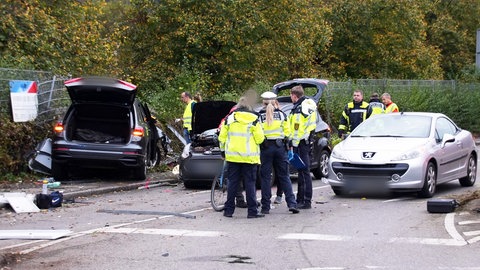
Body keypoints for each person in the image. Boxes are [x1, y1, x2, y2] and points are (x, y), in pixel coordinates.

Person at [218, 96, 265, 218]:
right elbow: (260, 139)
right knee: (250, 184)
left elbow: (222, 137)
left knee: (232, 183)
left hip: (233, 157)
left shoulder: (229, 119)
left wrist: (223, 151)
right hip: (249, 158)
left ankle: (228, 211)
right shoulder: (254, 119)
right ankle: (252, 212)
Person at [258, 91, 299, 214]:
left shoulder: (259, 116)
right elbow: (288, 132)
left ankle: (265, 206)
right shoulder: (281, 115)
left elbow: (258, 134)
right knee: (284, 176)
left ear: (263, 102)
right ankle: (292, 204)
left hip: (265, 148)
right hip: (280, 147)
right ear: (275, 101)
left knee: (265, 178)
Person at [289, 85, 317, 209]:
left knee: (304, 172)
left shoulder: (300, 109)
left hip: (300, 143)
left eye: (291, 96)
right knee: (302, 171)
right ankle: (301, 199)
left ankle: (305, 201)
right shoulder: (307, 106)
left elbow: (297, 129)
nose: (291, 98)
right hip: (305, 142)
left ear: (294, 96)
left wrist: (292, 143)